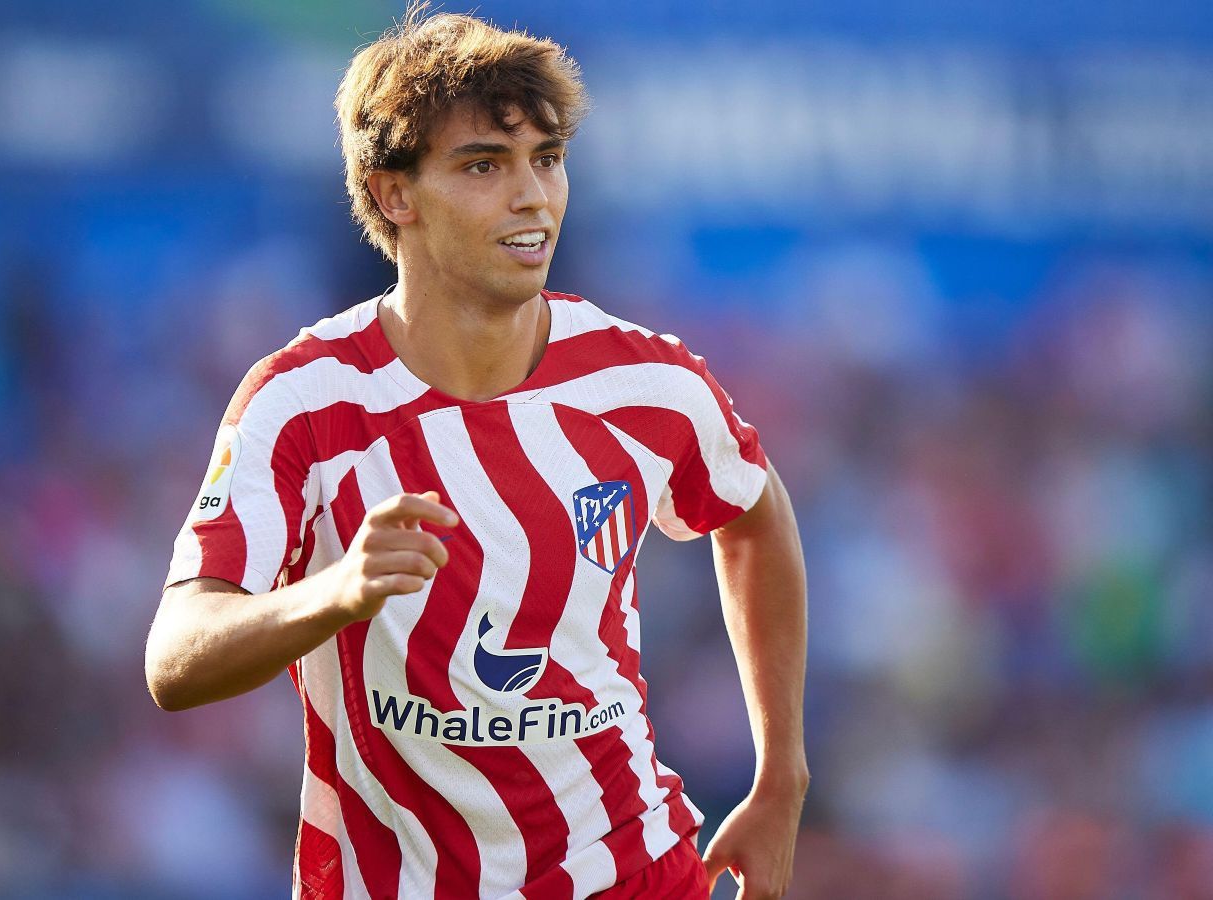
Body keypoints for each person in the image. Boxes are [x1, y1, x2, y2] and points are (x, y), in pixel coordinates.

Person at [144, 8, 810, 898]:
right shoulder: (304, 402)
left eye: (547, 158)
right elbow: (175, 660)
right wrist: (335, 592)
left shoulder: (646, 381)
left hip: (632, 872)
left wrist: (781, 774)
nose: (532, 195)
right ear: (394, 194)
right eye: (484, 165)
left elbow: (754, 511)